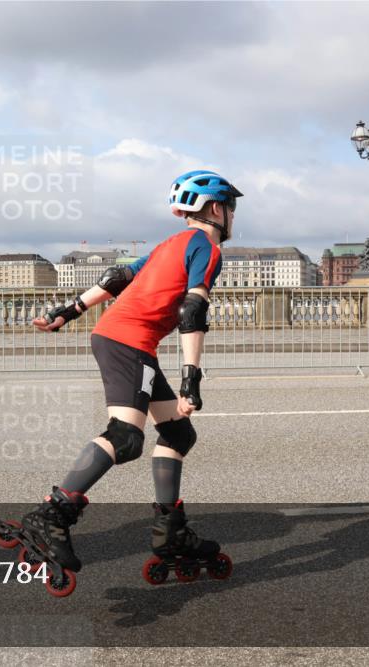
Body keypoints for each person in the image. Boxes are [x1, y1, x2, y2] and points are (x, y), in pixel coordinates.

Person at [24, 169, 242, 578]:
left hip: (124, 338)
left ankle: (170, 531)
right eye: (231, 208)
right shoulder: (207, 250)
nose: (233, 216)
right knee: (125, 438)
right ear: (217, 208)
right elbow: (192, 312)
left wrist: (65, 312)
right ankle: (52, 515)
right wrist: (190, 378)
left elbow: (117, 278)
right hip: (128, 341)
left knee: (177, 433)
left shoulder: (171, 244)